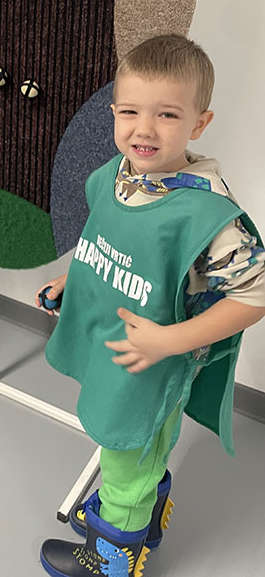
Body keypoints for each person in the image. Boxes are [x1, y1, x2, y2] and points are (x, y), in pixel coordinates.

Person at [37, 34, 265, 576]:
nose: (144, 129)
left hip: (153, 364)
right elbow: (113, 239)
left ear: (199, 124)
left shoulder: (207, 213)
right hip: (116, 348)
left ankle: (112, 558)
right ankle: (147, 515)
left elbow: (255, 293)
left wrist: (169, 341)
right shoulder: (120, 175)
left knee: (126, 450)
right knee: (133, 447)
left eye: (167, 114)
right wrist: (76, 276)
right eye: (130, 112)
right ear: (113, 113)